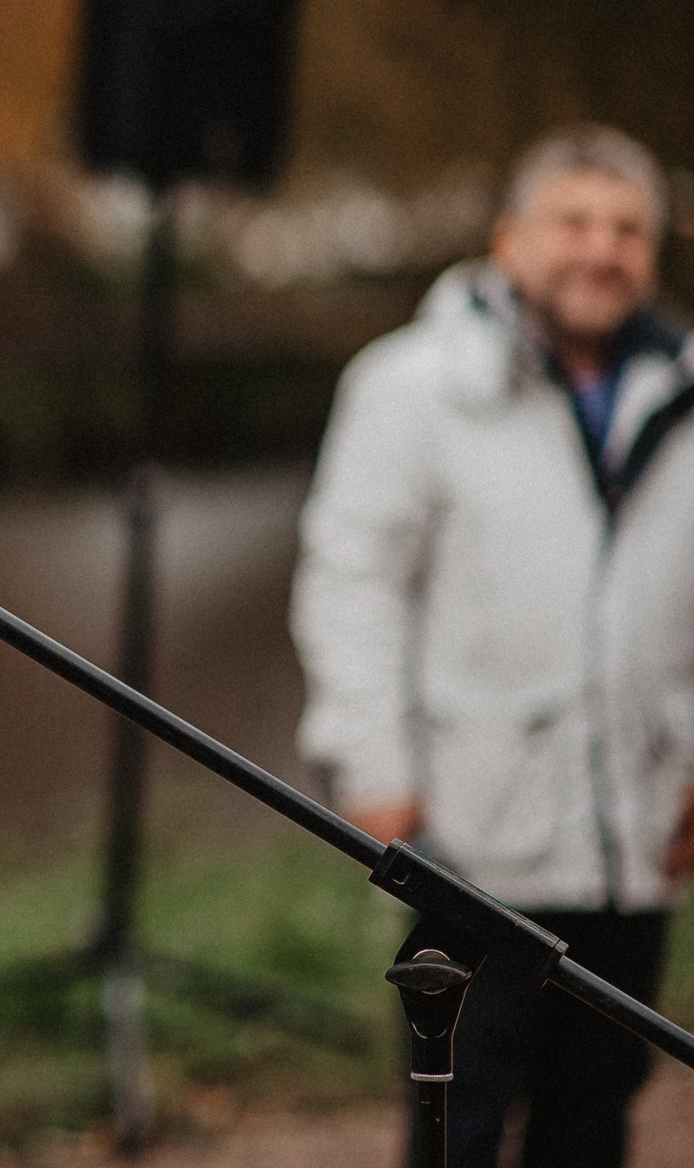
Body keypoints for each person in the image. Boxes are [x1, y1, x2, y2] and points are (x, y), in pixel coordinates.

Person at [291, 124, 694, 1168]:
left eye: (626, 228)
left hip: (633, 844)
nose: (600, 248)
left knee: (594, 1114)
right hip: (467, 840)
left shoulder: (682, 391)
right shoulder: (409, 386)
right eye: (573, 221)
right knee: (453, 1118)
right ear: (509, 239)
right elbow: (351, 579)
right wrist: (375, 774)